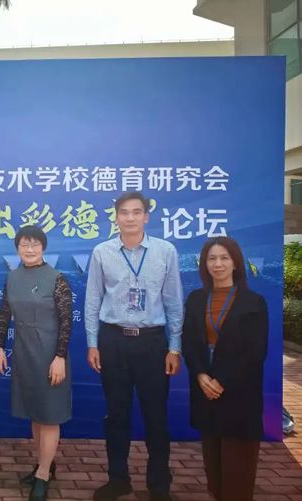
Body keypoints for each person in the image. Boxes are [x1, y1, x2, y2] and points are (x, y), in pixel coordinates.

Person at [84, 192, 183, 501]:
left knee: (156, 417)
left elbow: (173, 301)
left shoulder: (165, 251)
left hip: (153, 343)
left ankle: (159, 486)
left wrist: (174, 347)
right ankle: (118, 479)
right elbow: (92, 300)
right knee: (116, 415)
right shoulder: (102, 252)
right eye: (124, 212)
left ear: (146, 216)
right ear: (116, 217)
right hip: (113, 341)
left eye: (136, 212)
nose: (129, 217)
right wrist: (92, 343)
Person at [182, 237, 268, 501]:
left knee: (237, 465)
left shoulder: (253, 302)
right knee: (214, 461)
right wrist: (200, 375)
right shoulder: (196, 299)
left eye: (224, 258)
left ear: (235, 263)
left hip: (239, 391)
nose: (217, 264)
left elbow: (255, 351)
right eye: (212, 259)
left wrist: (222, 380)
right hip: (206, 387)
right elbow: (189, 342)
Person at [0, 225, 73, 501]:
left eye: (35, 244)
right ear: (17, 248)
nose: (29, 249)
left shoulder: (57, 279)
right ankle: (44, 465)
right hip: (24, 351)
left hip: (50, 353)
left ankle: (42, 475)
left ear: (43, 248)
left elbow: (66, 322)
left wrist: (60, 357)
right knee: (35, 412)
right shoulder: (12, 277)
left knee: (49, 414)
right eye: (24, 244)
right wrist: (0, 348)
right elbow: (4, 314)